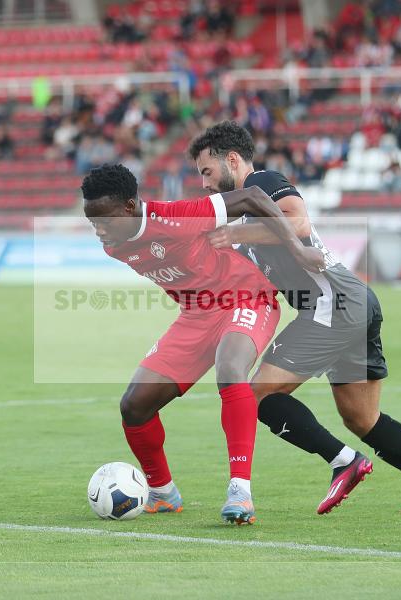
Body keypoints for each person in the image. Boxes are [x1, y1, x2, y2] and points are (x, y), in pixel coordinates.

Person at [189, 121, 401, 514]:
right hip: (352, 302)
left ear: (232, 160)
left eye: (207, 172)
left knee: (255, 395)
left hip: (333, 304)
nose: (204, 184)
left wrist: (238, 236)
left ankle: (344, 461)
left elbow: (300, 224)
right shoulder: (243, 219)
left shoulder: (262, 184)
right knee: (362, 417)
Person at [81, 164, 324, 525]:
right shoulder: (114, 244)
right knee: (134, 406)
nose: (99, 230)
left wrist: (299, 251)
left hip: (247, 297)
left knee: (230, 369)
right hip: (196, 315)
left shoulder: (175, 217)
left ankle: (240, 491)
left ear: (130, 207)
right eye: (92, 222)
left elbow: (252, 197)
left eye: (104, 220)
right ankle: (162, 493)